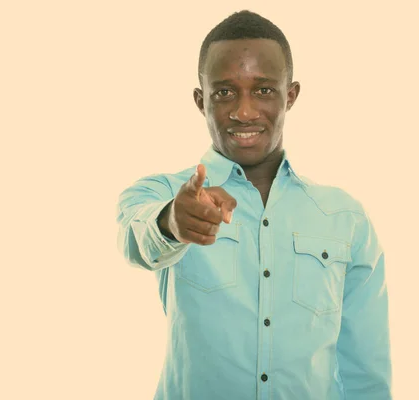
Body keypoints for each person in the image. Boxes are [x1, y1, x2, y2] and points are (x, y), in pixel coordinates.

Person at [115, 10, 392, 400]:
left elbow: (366, 370)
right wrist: (173, 223)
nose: (244, 112)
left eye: (263, 90)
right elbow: (136, 238)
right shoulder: (159, 193)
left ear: (290, 95)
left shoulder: (345, 218)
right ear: (200, 100)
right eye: (224, 92)